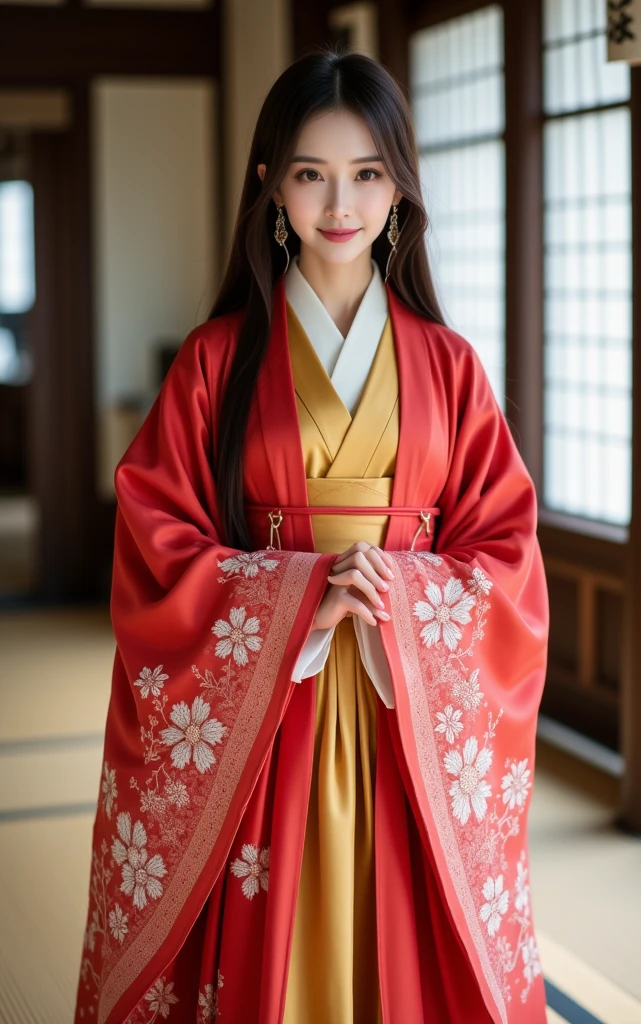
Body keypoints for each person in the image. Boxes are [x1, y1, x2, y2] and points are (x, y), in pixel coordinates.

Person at [75, 46, 549, 1024]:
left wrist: (402, 601)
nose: (341, 203)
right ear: (271, 186)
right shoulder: (217, 362)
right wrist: (290, 595)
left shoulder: (449, 364)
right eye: (310, 173)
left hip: (401, 695)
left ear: (400, 191)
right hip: (267, 709)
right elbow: (155, 534)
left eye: (368, 174)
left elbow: (505, 547)